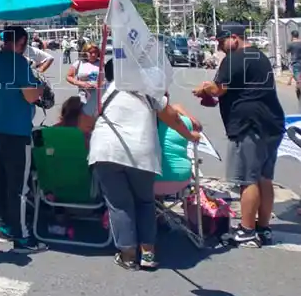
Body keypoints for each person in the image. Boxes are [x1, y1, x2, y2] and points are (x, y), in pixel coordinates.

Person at [92, 59, 200, 270]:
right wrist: (191, 135)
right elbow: (172, 118)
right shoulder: (149, 90)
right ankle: (148, 254)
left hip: (106, 151)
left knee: (119, 203)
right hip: (141, 152)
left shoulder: (102, 92)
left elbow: (85, 121)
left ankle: (128, 255)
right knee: (144, 202)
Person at [193, 23, 285, 247]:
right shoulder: (260, 57)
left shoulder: (234, 59)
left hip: (247, 125)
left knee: (247, 179)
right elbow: (231, 88)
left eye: (222, 41)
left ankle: (246, 231)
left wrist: (204, 89)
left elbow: (217, 89)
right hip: (271, 123)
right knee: (264, 178)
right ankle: (263, 228)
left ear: (234, 38)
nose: (220, 46)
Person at [0, 25, 47, 253]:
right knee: (19, 187)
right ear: (21, 41)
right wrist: (40, 88)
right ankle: (22, 237)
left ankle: (5, 228)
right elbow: (30, 96)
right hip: (16, 131)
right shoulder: (19, 64)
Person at [66, 44, 102, 117]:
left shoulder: (102, 64)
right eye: (90, 52)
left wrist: (100, 84)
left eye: (95, 52)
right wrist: (80, 83)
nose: (93, 54)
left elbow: (108, 79)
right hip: (83, 98)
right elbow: (68, 76)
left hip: (98, 98)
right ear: (85, 52)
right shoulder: (79, 63)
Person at [287, 30, 301, 99]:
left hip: (295, 63)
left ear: (292, 36)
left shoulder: (291, 44)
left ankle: (298, 92)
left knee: (298, 80)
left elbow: (287, 51)